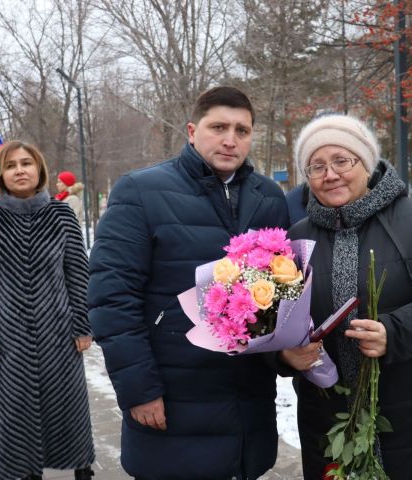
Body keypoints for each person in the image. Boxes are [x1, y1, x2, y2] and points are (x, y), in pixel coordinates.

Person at [87, 86, 290, 479]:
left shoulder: (268, 196)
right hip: (172, 397)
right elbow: (112, 299)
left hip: (247, 404)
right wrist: (140, 391)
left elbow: (281, 295)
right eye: (219, 127)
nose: (231, 139)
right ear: (192, 131)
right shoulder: (141, 191)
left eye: (242, 130)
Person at [282, 114, 412, 479]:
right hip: (327, 416)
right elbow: (277, 319)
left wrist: (395, 331)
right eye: (317, 166)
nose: (330, 173)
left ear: (366, 165)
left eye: (342, 160)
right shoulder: (296, 238)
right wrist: (285, 355)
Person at [0, 141, 95, 480]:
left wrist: (83, 324)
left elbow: (77, 272)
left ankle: (82, 470)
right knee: (12, 418)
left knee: (67, 411)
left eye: (26, 163)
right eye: (11, 165)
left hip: (59, 336)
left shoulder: (60, 214)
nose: (20, 170)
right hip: (4, 341)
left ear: (39, 170)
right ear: (0, 175)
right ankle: (24, 472)